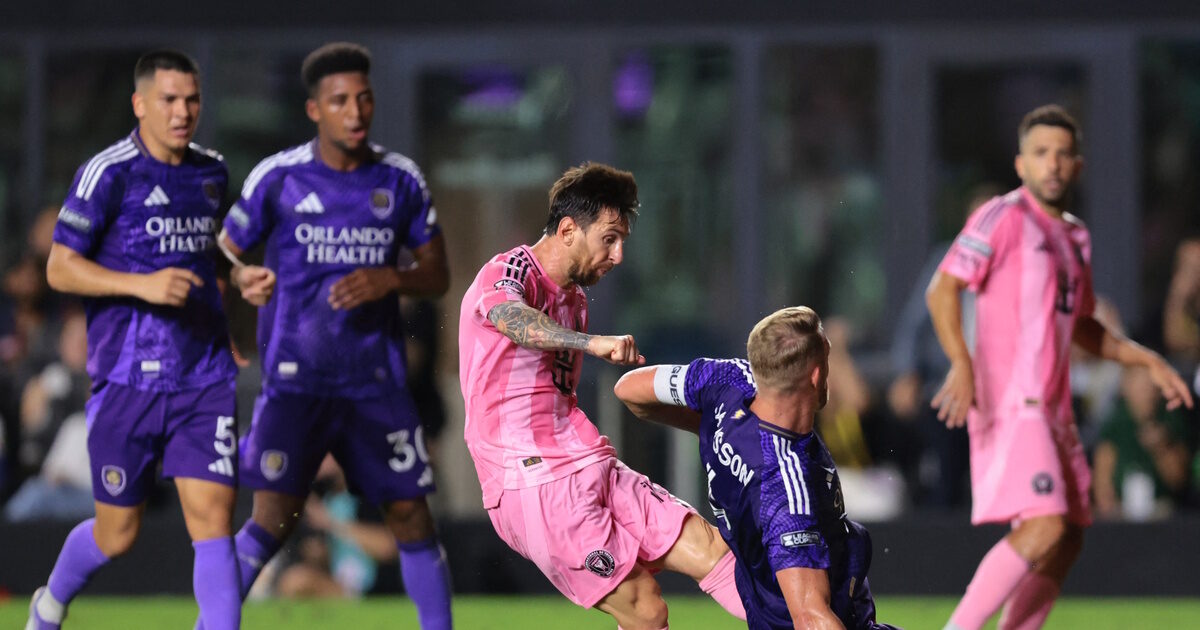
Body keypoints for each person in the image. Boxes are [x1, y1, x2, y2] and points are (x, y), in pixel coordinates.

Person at [27, 50, 274, 630]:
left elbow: (206, 254)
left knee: (213, 521)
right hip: (126, 378)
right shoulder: (108, 173)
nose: (182, 111)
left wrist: (238, 276)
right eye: (169, 100)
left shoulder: (211, 172)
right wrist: (141, 284)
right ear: (140, 104)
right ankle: (50, 604)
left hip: (202, 377)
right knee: (117, 533)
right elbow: (59, 267)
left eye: (192, 99)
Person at [210, 42, 452, 630]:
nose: (355, 111)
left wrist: (391, 278)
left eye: (363, 98)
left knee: (412, 516)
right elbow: (220, 252)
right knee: (271, 520)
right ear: (315, 109)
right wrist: (240, 277)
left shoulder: (399, 180)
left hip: (375, 384)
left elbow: (439, 275)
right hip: (296, 385)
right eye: (340, 100)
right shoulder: (279, 177)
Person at [926, 104, 1194, 630]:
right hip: (1012, 402)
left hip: (1053, 409)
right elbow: (943, 288)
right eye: (1041, 152)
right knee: (1046, 525)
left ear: (1077, 165)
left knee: (1068, 536)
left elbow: (1083, 327)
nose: (1052, 163)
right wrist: (961, 360)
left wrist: (1145, 357)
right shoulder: (1003, 216)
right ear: (1021, 163)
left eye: (1062, 154)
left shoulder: (1074, 236)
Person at [458, 162, 745, 630]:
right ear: (568, 230)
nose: (619, 255)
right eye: (609, 239)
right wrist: (590, 344)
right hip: (532, 481)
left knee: (714, 550)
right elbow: (512, 318)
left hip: (588, 461)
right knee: (646, 608)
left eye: (622, 241)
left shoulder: (574, 298)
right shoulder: (509, 270)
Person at [613, 306, 898, 630]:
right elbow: (810, 618)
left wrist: (706, 427)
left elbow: (629, 389)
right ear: (816, 375)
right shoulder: (785, 489)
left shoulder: (728, 379)